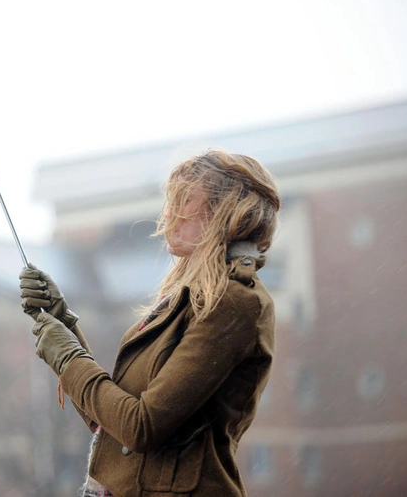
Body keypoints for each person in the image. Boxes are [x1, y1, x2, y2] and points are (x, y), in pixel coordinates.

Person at [19, 150, 281, 497]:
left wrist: (69, 359)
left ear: (227, 212)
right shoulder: (186, 298)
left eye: (184, 201)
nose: (169, 214)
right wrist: (64, 325)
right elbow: (111, 423)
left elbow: (141, 428)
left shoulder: (233, 301)